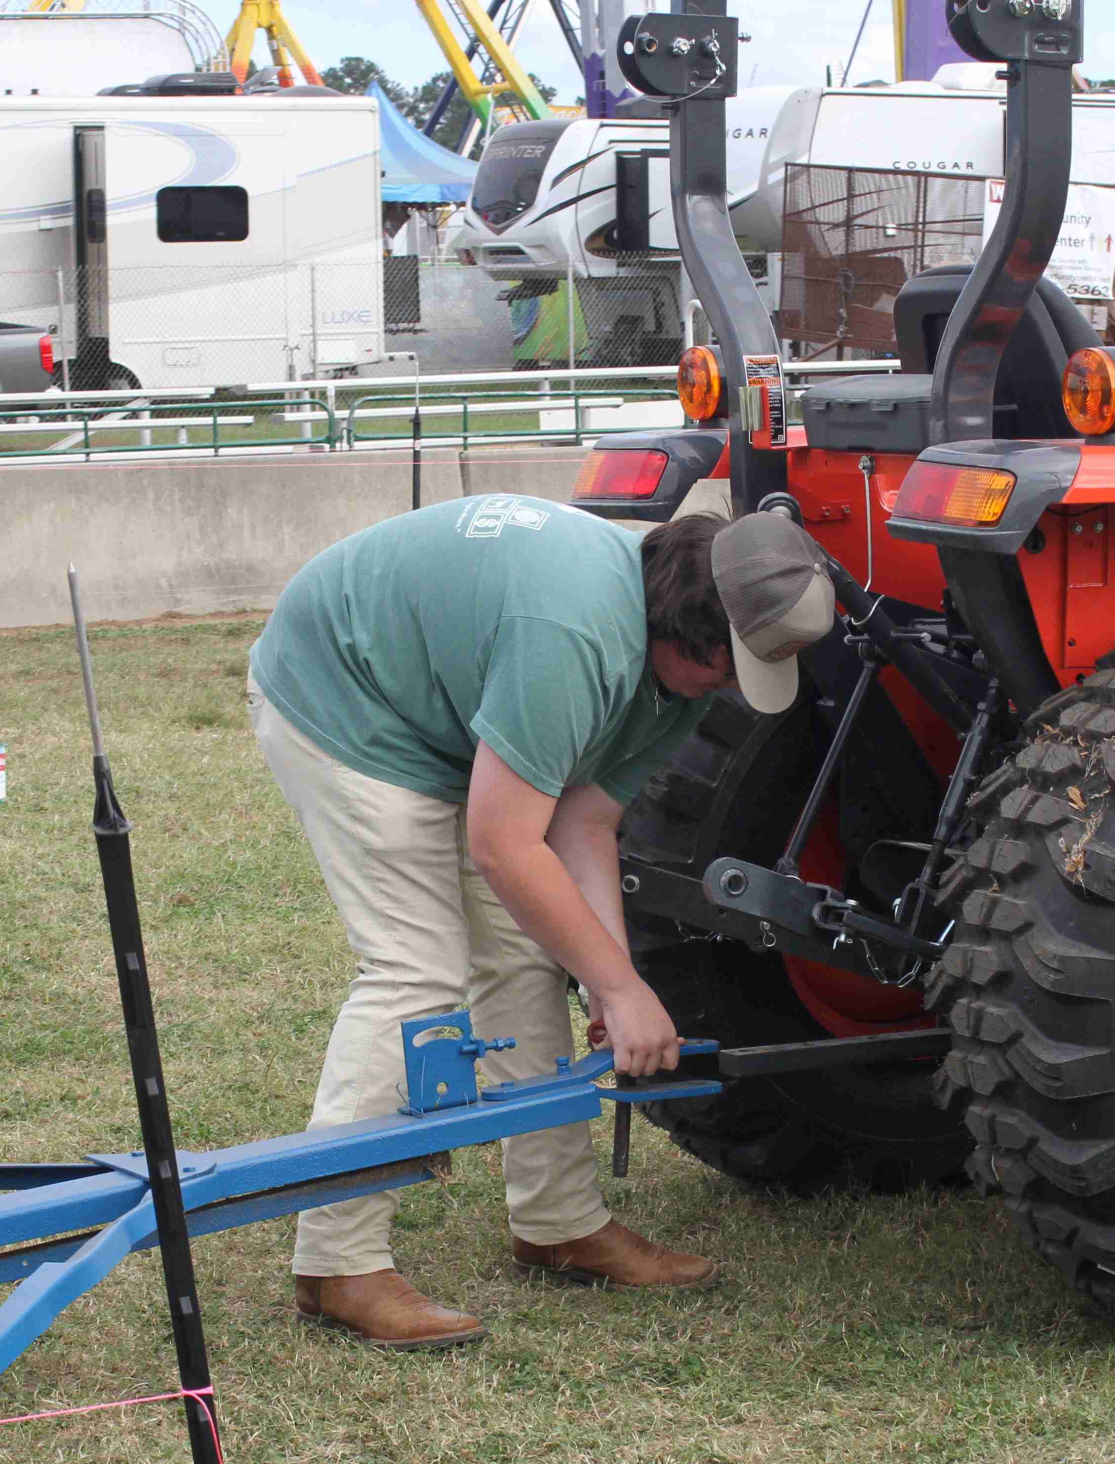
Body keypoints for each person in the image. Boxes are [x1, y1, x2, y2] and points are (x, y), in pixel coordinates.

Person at [246, 497, 836, 1349]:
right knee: (416, 972)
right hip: (349, 697)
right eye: (727, 669)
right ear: (688, 636)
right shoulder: (574, 636)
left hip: (448, 706)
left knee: (528, 951)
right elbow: (502, 841)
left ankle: (558, 1221)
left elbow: (583, 823)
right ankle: (335, 1261)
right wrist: (621, 986)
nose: (730, 690)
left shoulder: (672, 648)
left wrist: (607, 973)